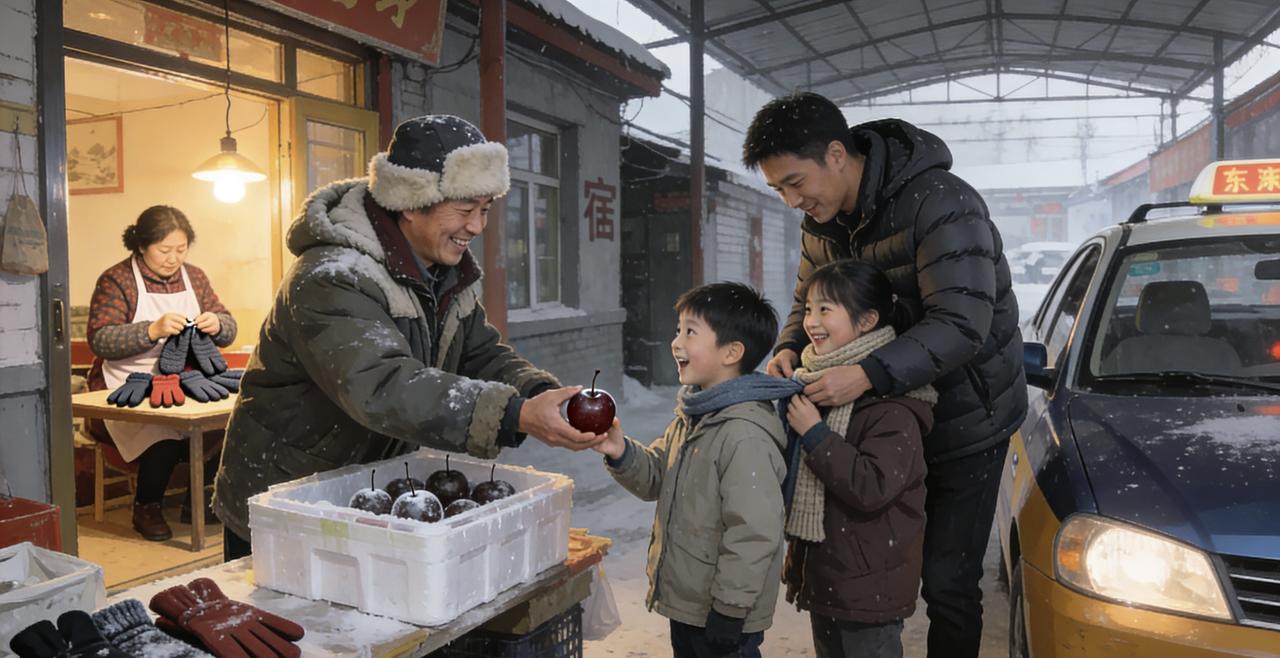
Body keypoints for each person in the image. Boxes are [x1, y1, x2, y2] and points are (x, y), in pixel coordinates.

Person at [212, 115, 604, 562]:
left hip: (367, 488)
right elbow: (382, 384)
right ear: (411, 203)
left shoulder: (443, 273)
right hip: (285, 497)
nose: (477, 226)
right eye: (465, 209)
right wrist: (512, 414)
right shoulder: (332, 276)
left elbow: (479, 352)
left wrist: (539, 394)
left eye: (485, 209)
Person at [742, 91, 1027, 658]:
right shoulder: (820, 223)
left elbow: (962, 321)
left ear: (836, 154)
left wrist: (867, 374)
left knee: (946, 581)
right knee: (864, 568)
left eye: (796, 183)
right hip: (874, 424)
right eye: (779, 191)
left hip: (964, 421)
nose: (793, 201)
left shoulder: (942, 203)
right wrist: (790, 346)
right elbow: (807, 300)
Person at [594, 281, 792, 658]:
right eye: (678, 330)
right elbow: (656, 476)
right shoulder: (696, 414)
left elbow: (754, 532)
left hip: (724, 614)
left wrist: (730, 609)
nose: (676, 342)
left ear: (731, 352)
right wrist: (620, 452)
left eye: (690, 332)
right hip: (691, 604)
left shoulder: (744, 434)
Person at [782, 260, 935, 658]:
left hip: (870, 585)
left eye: (825, 309)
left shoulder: (892, 408)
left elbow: (871, 486)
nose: (811, 322)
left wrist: (815, 434)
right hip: (828, 577)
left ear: (867, 321)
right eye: (808, 309)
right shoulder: (815, 387)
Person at [87, 205, 236, 542]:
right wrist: (151, 330)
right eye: (164, 250)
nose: (173, 259)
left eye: (181, 250)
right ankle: (147, 507)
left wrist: (218, 324)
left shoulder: (195, 277)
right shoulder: (118, 279)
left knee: (228, 423)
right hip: (127, 379)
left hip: (186, 377)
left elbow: (229, 326)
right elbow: (100, 338)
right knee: (160, 431)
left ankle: (198, 500)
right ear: (141, 245)